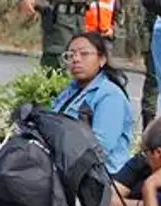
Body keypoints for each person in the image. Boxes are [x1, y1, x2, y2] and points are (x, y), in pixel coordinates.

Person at [52, 32, 133, 173]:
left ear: (102, 59)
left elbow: (100, 148)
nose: (76, 59)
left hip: (99, 175)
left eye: (84, 54)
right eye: (70, 55)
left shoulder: (110, 96)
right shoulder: (69, 91)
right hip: (65, 166)